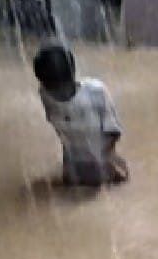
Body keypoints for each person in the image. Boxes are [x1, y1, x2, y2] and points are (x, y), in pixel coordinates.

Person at [33, 44, 129, 186]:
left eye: (61, 88)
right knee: (73, 184)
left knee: (111, 180)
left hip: (102, 159)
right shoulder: (45, 95)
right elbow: (60, 130)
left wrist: (104, 157)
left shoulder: (95, 92)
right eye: (53, 89)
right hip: (74, 161)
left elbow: (113, 131)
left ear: (72, 77)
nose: (59, 95)